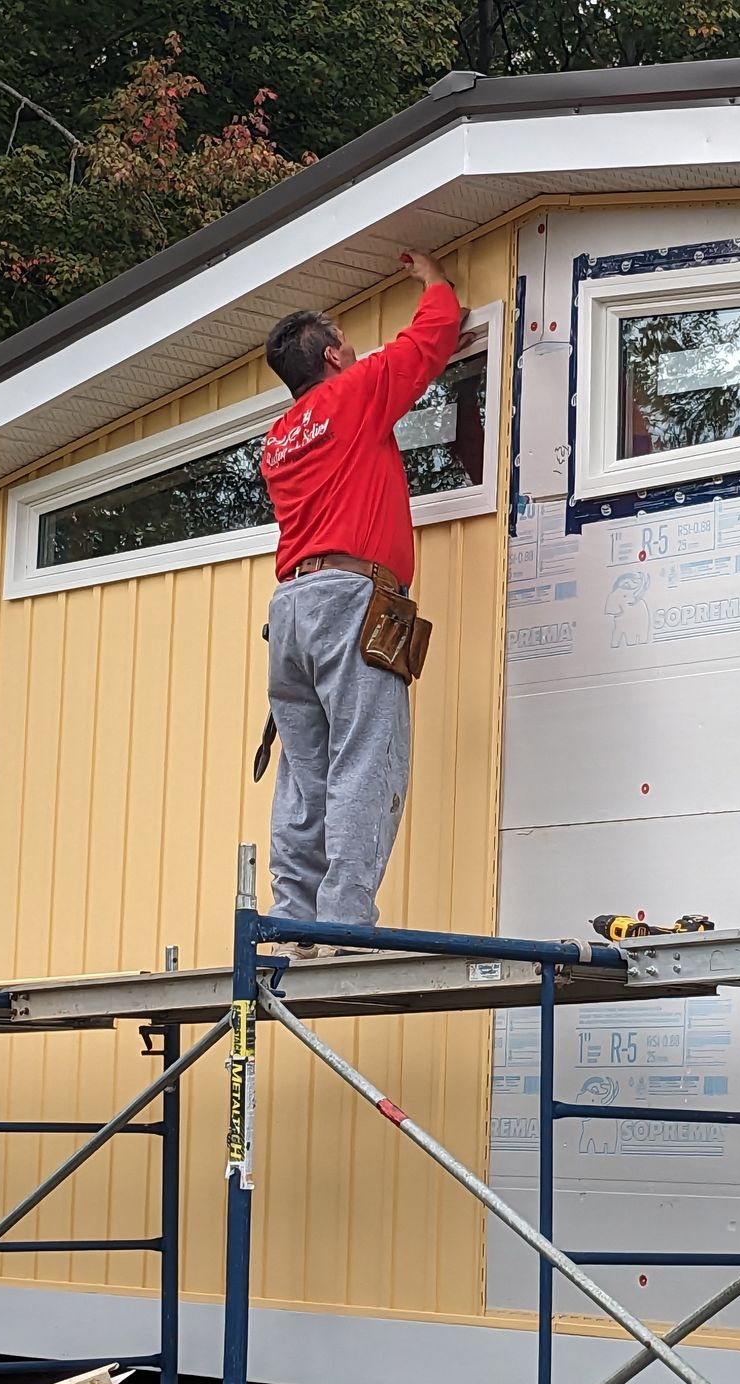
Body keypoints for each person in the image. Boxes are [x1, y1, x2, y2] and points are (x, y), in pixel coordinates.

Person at [258, 249, 464, 939]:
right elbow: (430, 340)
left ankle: (292, 918)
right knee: (365, 757)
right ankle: (343, 923)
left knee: (304, 774)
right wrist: (435, 281)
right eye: (347, 339)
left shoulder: (278, 441)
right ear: (335, 356)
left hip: (291, 610)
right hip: (349, 599)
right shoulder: (354, 393)